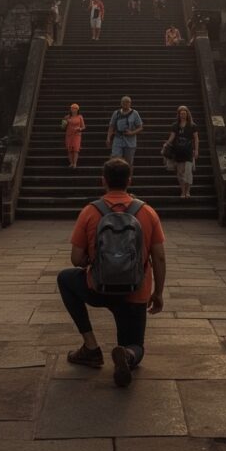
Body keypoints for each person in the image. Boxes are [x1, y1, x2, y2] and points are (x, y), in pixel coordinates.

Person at [56, 158, 166, 386]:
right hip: (135, 291)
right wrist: (158, 293)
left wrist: (93, 259)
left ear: (103, 181)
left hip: (98, 288)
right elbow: (159, 257)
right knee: (136, 344)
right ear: (129, 180)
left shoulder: (90, 211)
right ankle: (127, 355)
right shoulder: (147, 212)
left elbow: (76, 259)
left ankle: (90, 346)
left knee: (65, 279)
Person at [161, 105, 199, 199]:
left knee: (188, 172)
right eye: (181, 114)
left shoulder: (192, 125)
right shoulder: (175, 125)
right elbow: (172, 136)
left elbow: (196, 138)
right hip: (178, 152)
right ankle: (182, 191)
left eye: (184, 113)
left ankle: (188, 191)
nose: (183, 115)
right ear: (179, 115)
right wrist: (166, 144)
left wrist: (197, 150)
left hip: (189, 151)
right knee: (180, 172)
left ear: (187, 114)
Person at [107, 95, 143, 170]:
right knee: (115, 159)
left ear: (130, 103)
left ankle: (128, 179)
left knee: (128, 162)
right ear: (121, 103)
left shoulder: (135, 113)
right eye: (124, 102)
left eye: (128, 102)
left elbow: (140, 127)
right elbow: (111, 126)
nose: (126, 104)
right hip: (118, 139)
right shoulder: (116, 113)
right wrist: (108, 138)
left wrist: (132, 133)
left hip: (130, 141)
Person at [63, 103, 86, 168]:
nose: (73, 110)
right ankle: (71, 163)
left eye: (75, 108)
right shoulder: (67, 117)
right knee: (69, 149)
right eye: (72, 108)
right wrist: (64, 122)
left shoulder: (80, 117)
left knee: (76, 149)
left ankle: (75, 163)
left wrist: (79, 128)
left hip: (77, 135)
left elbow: (83, 127)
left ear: (77, 110)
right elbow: (62, 126)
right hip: (69, 134)